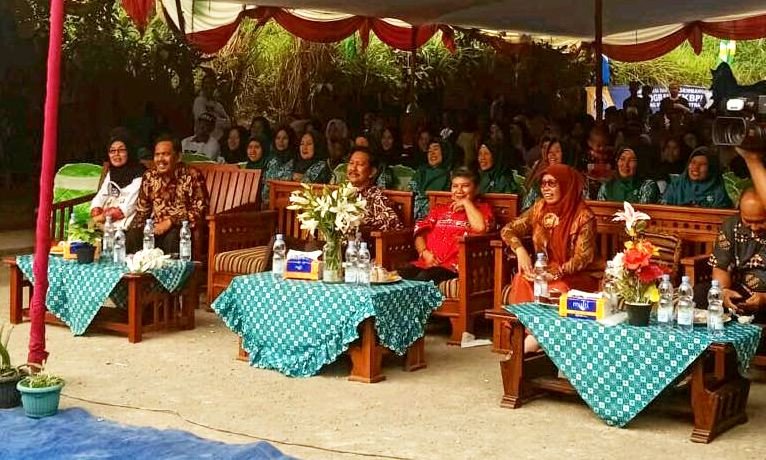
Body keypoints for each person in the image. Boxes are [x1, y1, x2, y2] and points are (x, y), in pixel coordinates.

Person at [501, 164, 597, 352]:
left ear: (566, 185)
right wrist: (519, 249)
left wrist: (556, 273)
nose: (545, 188)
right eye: (543, 184)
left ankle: (534, 341)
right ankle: (526, 335)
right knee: (521, 279)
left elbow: (583, 257)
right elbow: (508, 229)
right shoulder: (539, 208)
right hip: (543, 270)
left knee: (556, 290)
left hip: (574, 276)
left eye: (552, 183)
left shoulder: (584, 216)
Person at [399, 167, 494, 283]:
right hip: (426, 263)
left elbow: (480, 228)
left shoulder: (482, 209)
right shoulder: (440, 209)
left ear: (476, 188)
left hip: (453, 267)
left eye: (465, 186)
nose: (459, 190)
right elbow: (419, 234)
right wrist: (424, 253)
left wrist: (466, 203)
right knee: (399, 274)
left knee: (424, 278)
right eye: (455, 186)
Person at [693, 188, 766, 323]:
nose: (754, 228)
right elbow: (721, 265)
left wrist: (764, 299)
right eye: (748, 221)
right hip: (741, 290)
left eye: (761, 221)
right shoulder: (731, 226)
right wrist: (724, 291)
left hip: (763, 296)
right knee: (701, 292)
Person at [127, 135, 209, 254]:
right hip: (156, 229)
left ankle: (173, 267)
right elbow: (142, 211)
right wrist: (134, 230)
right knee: (132, 235)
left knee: (172, 237)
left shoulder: (192, 175)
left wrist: (171, 221)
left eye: (166, 154)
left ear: (178, 157)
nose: (160, 159)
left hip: (182, 231)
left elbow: (200, 210)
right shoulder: (149, 176)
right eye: (157, 155)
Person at [90, 134, 145, 228]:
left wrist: (98, 218)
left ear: (129, 152)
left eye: (121, 150)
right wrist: (96, 210)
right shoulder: (112, 172)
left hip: (127, 225)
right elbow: (101, 195)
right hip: (104, 222)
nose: (116, 154)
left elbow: (127, 207)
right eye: (112, 151)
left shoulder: (140, 174)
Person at [346, 147, 403, 233]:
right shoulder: (342, 194)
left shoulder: (376, 197)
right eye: (351, 163)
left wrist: (361, 225)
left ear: (372, 172)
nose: (353, 168)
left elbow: (393, 223)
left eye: (360, 164)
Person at [662, 146, 732, 208]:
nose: (695, 167)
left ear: (711, 168)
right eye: (693, 162)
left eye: (702, 164)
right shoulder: (677, 185)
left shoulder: (720, 189)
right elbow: (663, 208)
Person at [410, 140, 453, 220]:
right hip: (415, 211)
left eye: (435, 149)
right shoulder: (421, 171)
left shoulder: (451, 175)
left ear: (444, 152)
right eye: (429, 151)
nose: (432, 153)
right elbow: (412, 190)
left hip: (438, 213)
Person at [261, 125, 296, 208]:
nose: (281, 141)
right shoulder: (270, 160)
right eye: (278, 138)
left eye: (285, 138)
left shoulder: (296, 161)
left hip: (287, 206)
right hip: (267, 205)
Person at [192, 73, 230, 141]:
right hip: (204, 142)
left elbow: (228, 123)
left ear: (215, 86)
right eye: (207, 83)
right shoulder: (199, 101)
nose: (209, 86)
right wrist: (220, 120)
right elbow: (205, 120)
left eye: (211, 83)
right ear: (203, 86)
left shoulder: (218, 105)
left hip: (219, 141)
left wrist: (215, 119)